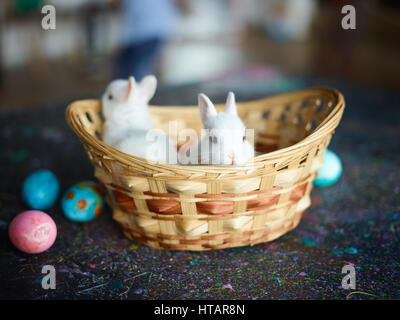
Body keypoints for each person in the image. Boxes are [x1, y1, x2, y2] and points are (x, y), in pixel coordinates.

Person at [113, 0, 178, 80]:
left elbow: (116, 5)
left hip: (149, 33)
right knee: (131, 78)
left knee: (136, 77)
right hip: (137, 35)